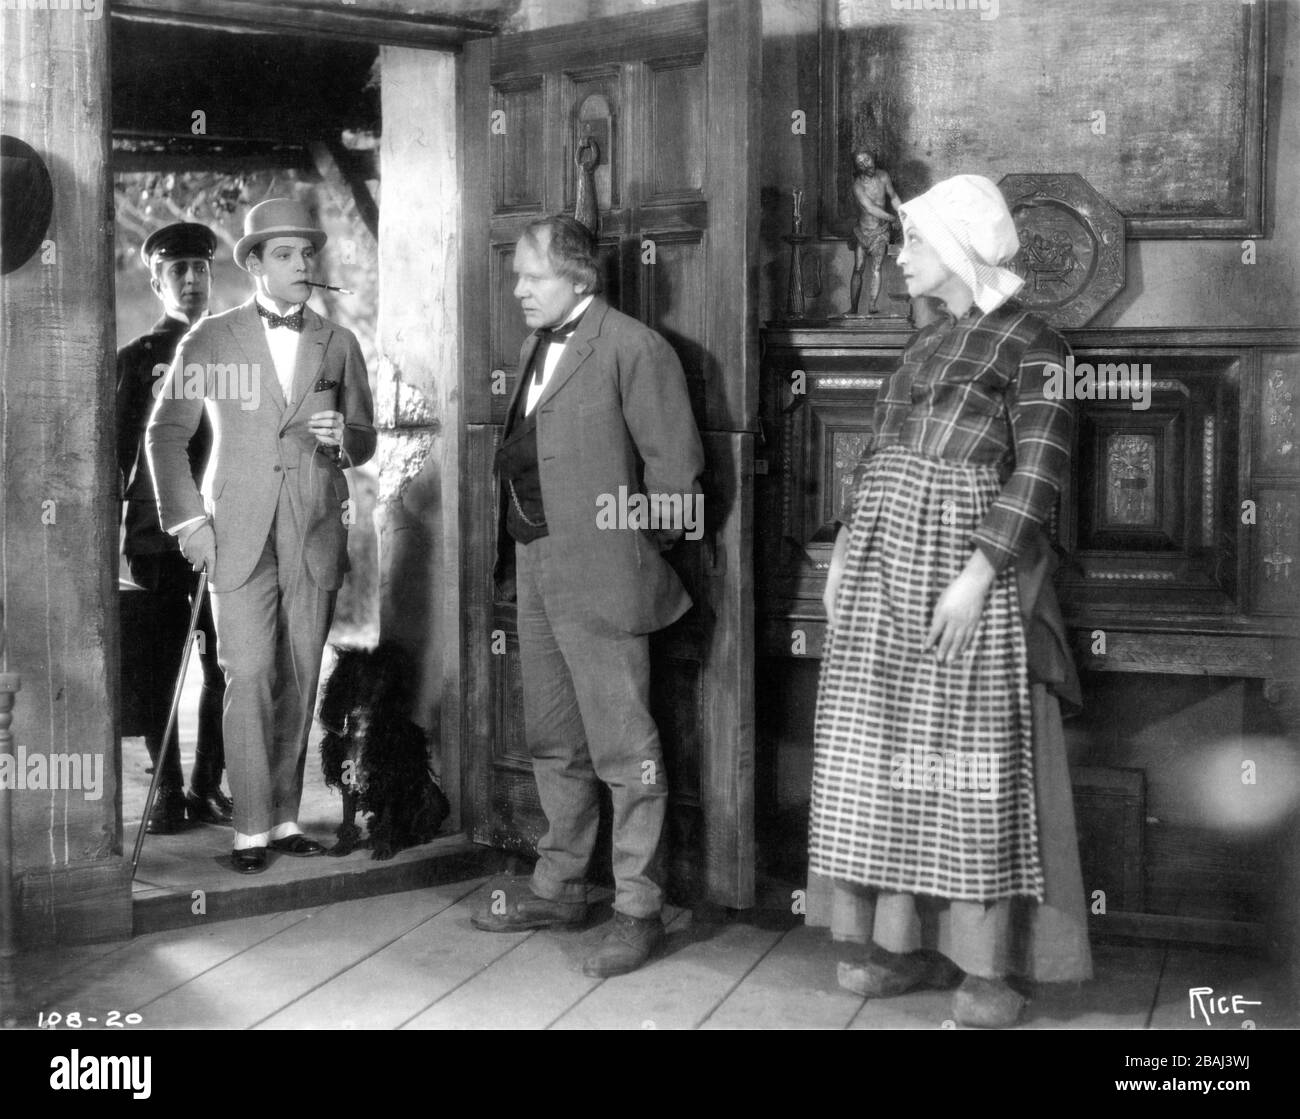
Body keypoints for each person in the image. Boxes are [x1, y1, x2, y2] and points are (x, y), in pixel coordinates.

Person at [810, 175, 1091, 1028]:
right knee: (884, 756)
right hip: (880, 566)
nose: (899, 256)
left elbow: (1039, 468)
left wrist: (978, 574)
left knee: (969, 763)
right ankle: (902, 947)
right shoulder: (923, 347)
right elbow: (875, 455)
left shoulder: (1037, 345)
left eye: (914, 242)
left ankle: (989, 971)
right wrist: (842, 552)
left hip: (965, 566)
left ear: (960, 249)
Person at [471, 215, 704, 978]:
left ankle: (639, 907)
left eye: (530, 276)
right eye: (517, 277)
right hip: (536, 567)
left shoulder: (635, 348)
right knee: (553, 737)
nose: (517, 290)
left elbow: (677, 488)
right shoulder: (538, 345)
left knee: (625, 751)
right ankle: (562, 882)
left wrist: (624, 553)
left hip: (603, 575)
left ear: (580, 276)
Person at [147, 198, 376, 874]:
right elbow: (165, 437)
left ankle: (281, 818)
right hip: (235, 533)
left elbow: (362, 439)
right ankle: (247, 828)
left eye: (308, 254)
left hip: (313, 531)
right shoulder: (211, 339)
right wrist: (191, 524)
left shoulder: (339, 343)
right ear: (254, 264)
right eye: (286, 254)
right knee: (247, 672)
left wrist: (347, 441)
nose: (303, 264)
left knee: (301, 675)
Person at [116, 221, 230, 833]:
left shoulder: (233, 349)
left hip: (222, 532)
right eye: (178, 271)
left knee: (222, 662)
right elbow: (114, 456)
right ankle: (168, 790)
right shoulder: (134, 361)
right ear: (157, 280)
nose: (191, 282)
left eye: (201, 270)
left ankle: (209, 784)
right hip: (157, 539)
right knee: (161, 664)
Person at [844, 151, 902, 316]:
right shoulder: (857, 185)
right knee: (858, 268)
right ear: (857, 167)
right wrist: (892, 218)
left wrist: (903, 213)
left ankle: (872, 306)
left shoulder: (883, 176)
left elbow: (894, 197)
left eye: (867, 159)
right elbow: (870, 208)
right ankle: (853, 308)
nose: (865, 164)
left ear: (873, 158)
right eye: (860, 163)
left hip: (881, 231)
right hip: (862, 230)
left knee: (876, 268)